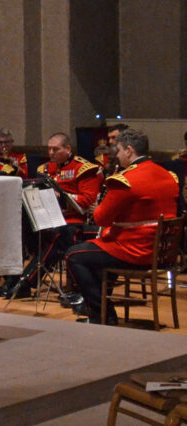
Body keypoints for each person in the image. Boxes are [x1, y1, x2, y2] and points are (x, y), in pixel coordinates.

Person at [66, 128, 180, 324]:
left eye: (118, 150)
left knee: (74, 255)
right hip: (162, 251)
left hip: (135, 250)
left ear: (129, 150)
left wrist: (99, 206)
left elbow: (100, 218)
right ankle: (102, 311)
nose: (116, 156)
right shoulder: (168, 175)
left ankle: (101, 315)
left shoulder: (126, 180)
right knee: (94, 254)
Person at [0, 133, 101, 299]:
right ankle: (12, 278)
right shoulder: (43, 169)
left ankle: (26, 282)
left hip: (72, 220)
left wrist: (61, 196)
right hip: (45, 218)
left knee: (58, 235)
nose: (51, 152)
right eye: (49, 149)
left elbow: (88, 200)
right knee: (19, 227)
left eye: (56, 149)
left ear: (68, 149)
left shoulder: (83, 168)